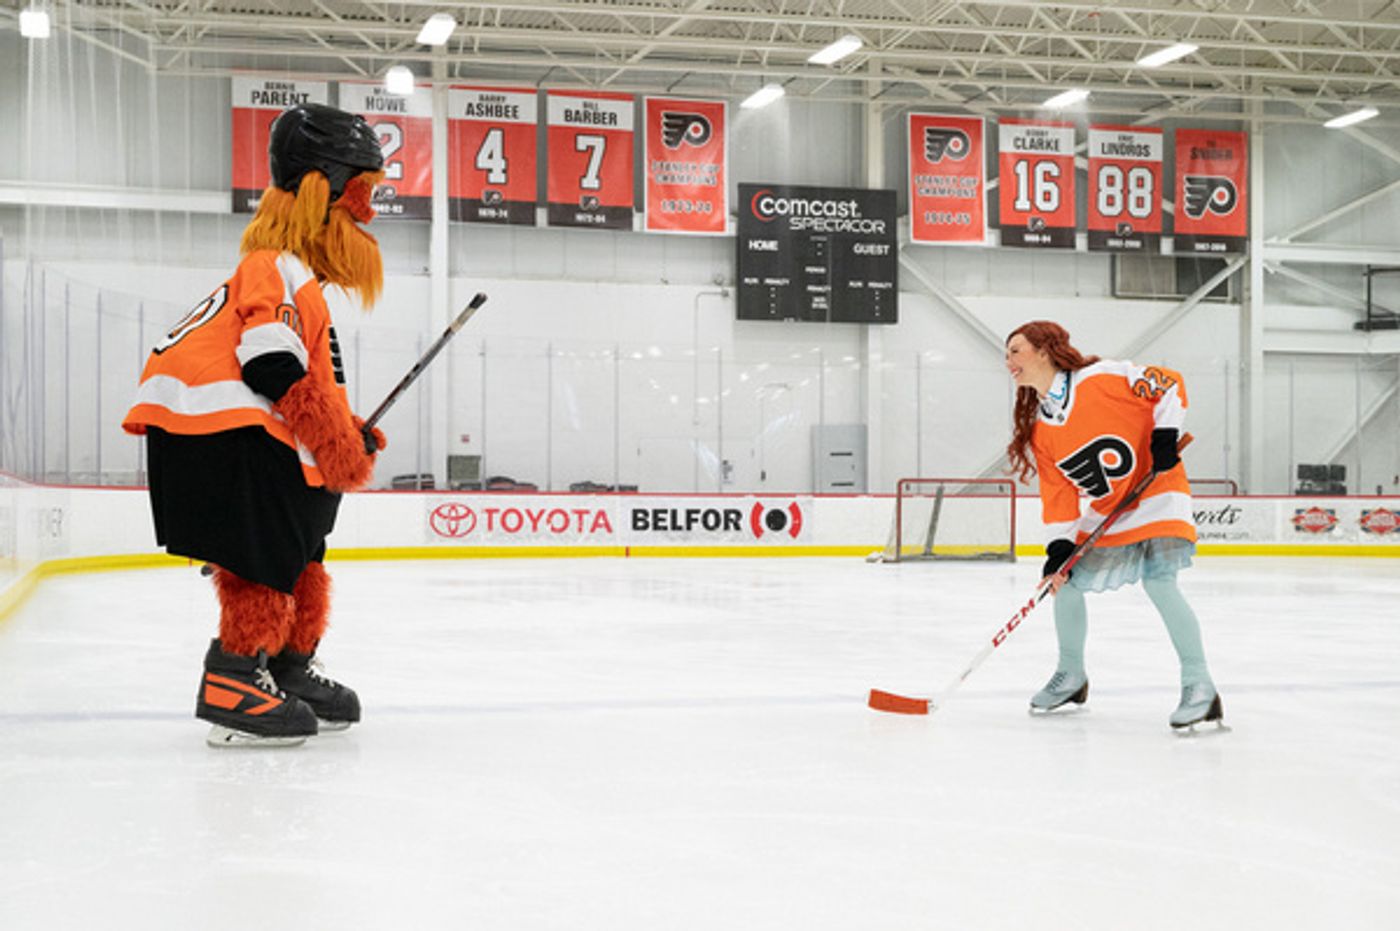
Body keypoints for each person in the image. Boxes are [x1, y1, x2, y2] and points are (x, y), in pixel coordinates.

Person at [123, 103, 388, 747]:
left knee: (305, 543)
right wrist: (336, 444)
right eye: (361, 192)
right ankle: (234, 676)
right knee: (263, 555)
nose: (369, 212)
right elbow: (269, 364)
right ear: (320, 190)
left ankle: (286, 668)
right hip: (216, 429)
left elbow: (304, 379)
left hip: (242, 429)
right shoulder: (276, 265)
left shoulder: (304, 282)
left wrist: (346, 430)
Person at [1004, 320, 1222, 730]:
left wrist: (1164, 435)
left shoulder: (1100, 379)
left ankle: (1200, 685)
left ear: (1044, 351)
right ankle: (1071, 675)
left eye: (1016, 350)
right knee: (1063, 582)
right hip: (1110, 510)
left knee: (1159, 582)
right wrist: (1057, 551)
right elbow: (1059, 497)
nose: (1008, 361)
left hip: (1157, 493)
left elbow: (1169, 384)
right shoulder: (1043, 430)